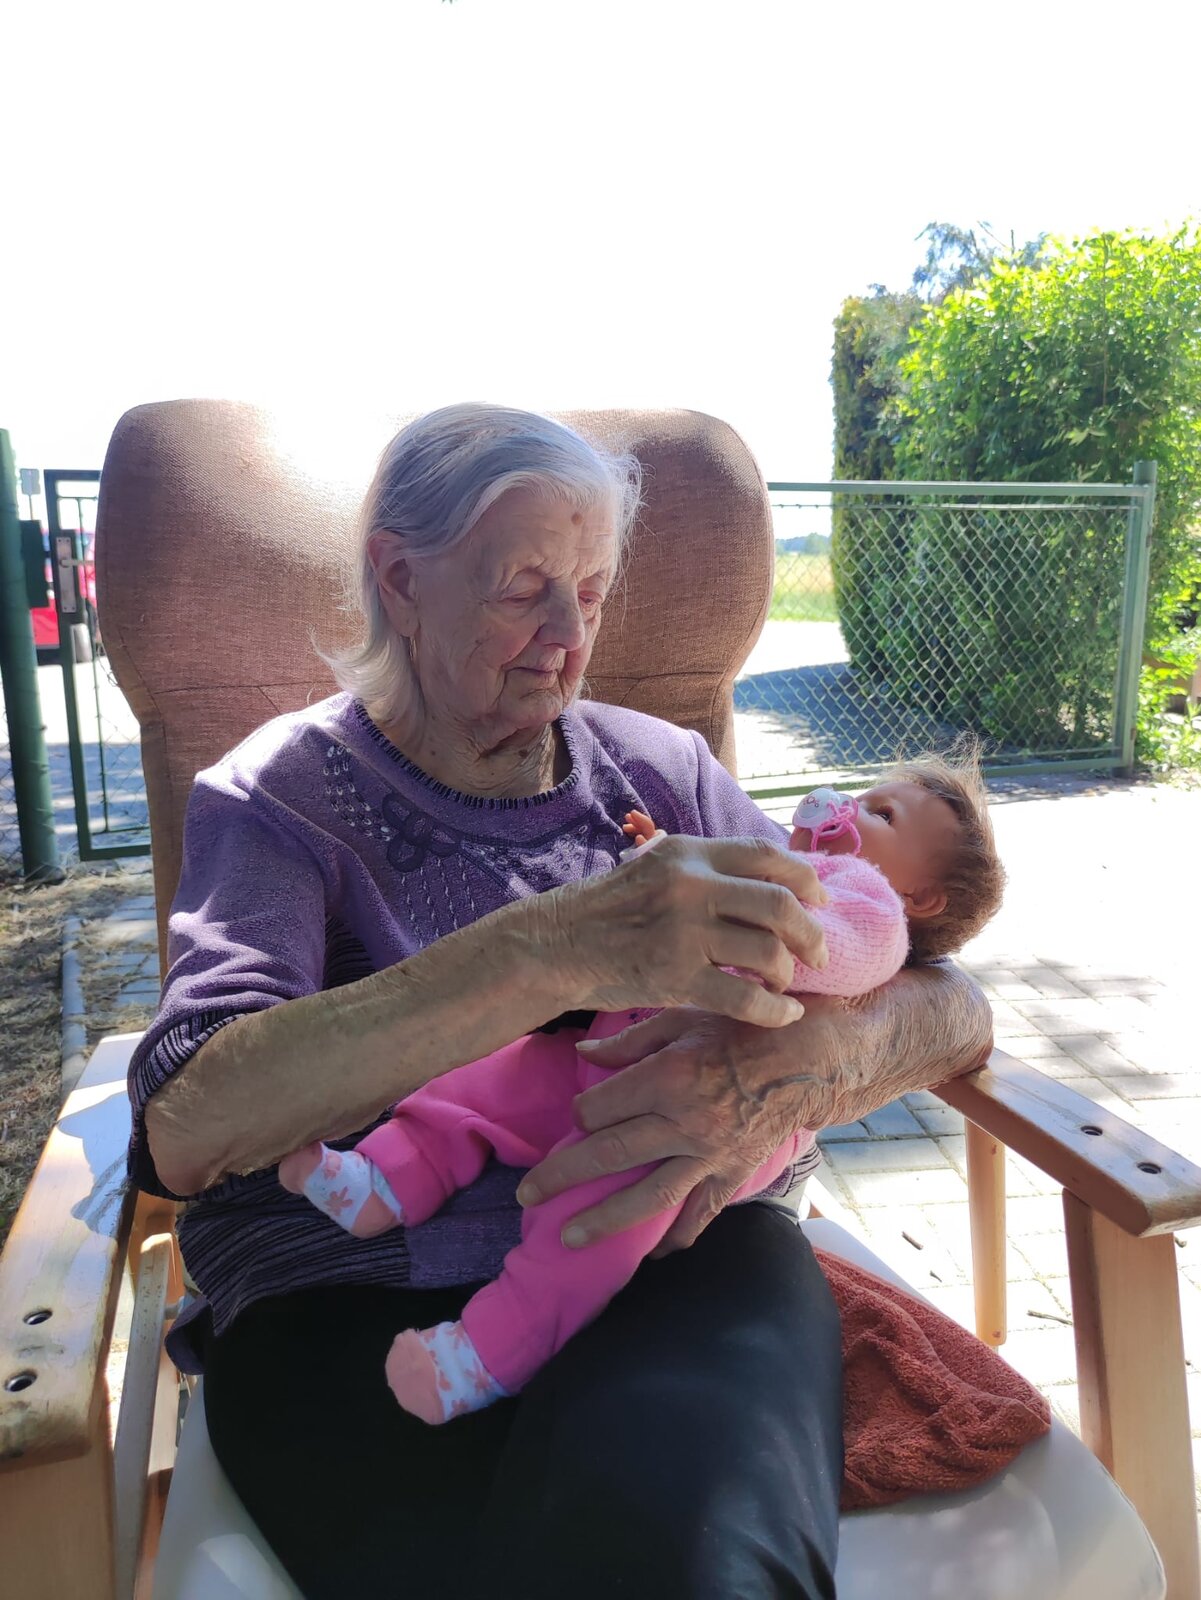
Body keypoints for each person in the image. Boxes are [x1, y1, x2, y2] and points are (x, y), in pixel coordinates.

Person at [129, 403, 994, 1600]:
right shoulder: (279, 796)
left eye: (589, 592)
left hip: (679, 1267)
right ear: (400, 578)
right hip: (347, 1294)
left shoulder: (664, 770)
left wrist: (808, 1071)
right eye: (524, 588)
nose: (568, 635)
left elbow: (942, 998)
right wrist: (550, 952)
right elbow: (185, 1124)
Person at [279, 765, 1002, 1427]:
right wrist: (666, 860)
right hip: (611, 1050)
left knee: (590, 1224)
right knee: (482, 1085)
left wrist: (733, 923)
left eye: (880, 812)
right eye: (863, 796)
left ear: (919, 897)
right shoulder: (809, 871)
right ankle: (381, 1179)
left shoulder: (870, 906)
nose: (848, 805)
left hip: (684, 1119)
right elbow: (708, 882)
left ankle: (489, 1353)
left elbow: (820, 949)